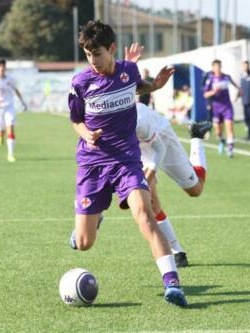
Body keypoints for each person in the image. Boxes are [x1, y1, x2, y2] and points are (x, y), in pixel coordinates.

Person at [67, 20, 187, 306]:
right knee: (84, 244)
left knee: (144, 216)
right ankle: (95, 218)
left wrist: (155, 85)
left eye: (97, 53)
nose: (93, 60)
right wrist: (88, 136)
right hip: (92, 163)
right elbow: (75, 120)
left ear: (112, 49)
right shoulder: (81, 83)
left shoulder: (128, 71)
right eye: (87, 54)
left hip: (126, 160)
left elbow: (138, 85)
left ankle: (172, 284)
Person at [135, 102, 210, 267]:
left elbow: (158, 149)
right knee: (150, 199)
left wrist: (147, 179)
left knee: (195, 190)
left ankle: (196, 136)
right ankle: (177, 251)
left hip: (161, 139)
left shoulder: (137, 119)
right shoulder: (99, 120)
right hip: (137, 147)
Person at [0, 59, 27, 162]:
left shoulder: (10, 79)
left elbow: (16, 90)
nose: (2, 69)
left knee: (10, 128)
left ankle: (10, 154)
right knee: (0, 128)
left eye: (3, 67)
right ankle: (0, 134)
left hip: (9, 107)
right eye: (0, 67)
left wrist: (22, 102)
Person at [204, 59, 240, 157]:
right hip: (216, 108)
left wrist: (238, 94)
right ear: (213, 68)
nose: (218, 68)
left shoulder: (226, 77)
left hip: (227, 107)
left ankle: (230, 149)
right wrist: (213, 92)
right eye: (216, 67)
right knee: (218, 131)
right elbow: (205, 94)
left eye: (219, 66)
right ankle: (221, 140)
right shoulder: (210, 79)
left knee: (230, 127)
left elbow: (238, 87)